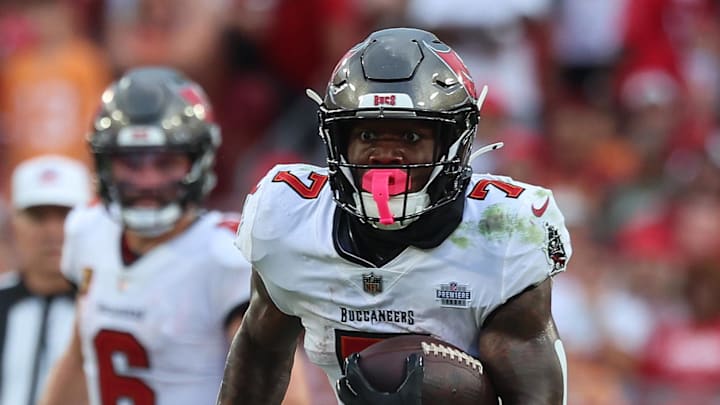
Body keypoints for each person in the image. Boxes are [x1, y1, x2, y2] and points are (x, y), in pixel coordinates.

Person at [218, 27, 573, 405]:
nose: (385, 155)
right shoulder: (290, 219)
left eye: (409, 137)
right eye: (369, 135)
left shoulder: (502, 232)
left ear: (454, 144)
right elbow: (260, 349)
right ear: (338, 141)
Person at [38, 67, 309, 405]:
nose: (147, 182)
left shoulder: (226, 255)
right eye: (131, 164)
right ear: (104, 164)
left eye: (165, 163)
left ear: (199, 162)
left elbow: (283, 395)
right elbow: (79, 360)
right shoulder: (87, 230)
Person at [0, 155, 91, 405]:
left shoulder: (107, 309)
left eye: (65, 215)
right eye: (38, 216)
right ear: (14, 224)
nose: (52, 231)